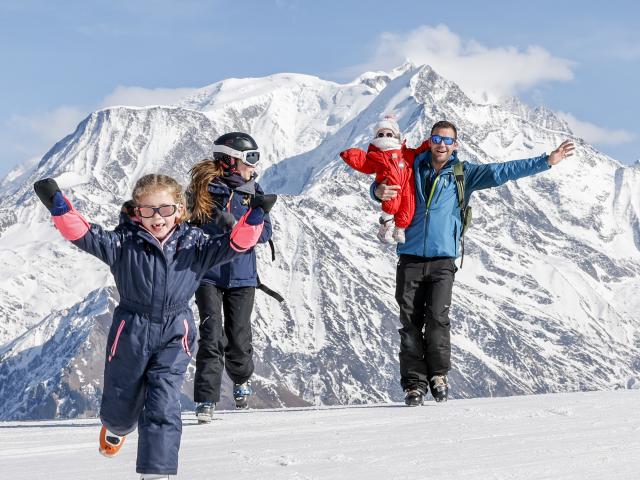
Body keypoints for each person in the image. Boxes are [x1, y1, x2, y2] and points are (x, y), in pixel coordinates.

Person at [33, 173, 274, 479]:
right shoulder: (123, 243)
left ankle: (156, 473)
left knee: (164, 402)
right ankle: (117, 427)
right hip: (131, 330)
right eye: (148, 211)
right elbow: (85, 235)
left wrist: (255, 216)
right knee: (121, 407)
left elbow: (235, 245)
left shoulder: (195, 245)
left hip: (176, 333)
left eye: (165, 210)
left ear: (179, 210)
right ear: (137, 211)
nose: (157, 218)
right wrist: (57, 204)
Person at [372, 120, 575, 406]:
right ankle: (414, 384)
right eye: (436, 139)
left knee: (438, 319)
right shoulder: (411, 165)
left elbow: (502, 171)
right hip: (410, 256)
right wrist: (377, 191)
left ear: (455, 145)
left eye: (447, 140)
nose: (441, 144)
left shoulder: (463, 174)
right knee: (409, 322)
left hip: (443, 259)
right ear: (429, 141)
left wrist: (546, 161)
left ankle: (438, 375)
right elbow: (383, 177)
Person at [189, 132, 273, 421]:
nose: (254, 165)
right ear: (229, 161)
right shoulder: (201, 192)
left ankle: (241, 377)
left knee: (237, 337)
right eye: (250, 158)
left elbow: (267, 233)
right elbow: (187, 228)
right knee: (211, 335)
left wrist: (243, 226)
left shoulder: (254, 192)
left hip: (242, 276)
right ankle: (205, 400)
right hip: (208, 275)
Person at [340, 116, 430, 243]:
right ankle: (386, 223)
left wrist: (429, 143)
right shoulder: (377, 156)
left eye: (389, 134)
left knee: (407, 207)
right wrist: (350, 155)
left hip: (407, 188)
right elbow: (364, 162)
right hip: (391, 188)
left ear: (396, 136)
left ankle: (400, 229)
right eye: (381, 134)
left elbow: (419, 151)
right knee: (391, 203)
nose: (385, 136)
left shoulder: (406, 154)